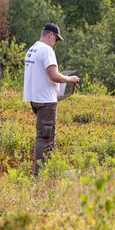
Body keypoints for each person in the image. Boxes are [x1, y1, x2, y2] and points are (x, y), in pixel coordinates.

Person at [23, 23, 80, 175]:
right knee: (46, 139)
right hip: (46, 101)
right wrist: (70, 79)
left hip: (35, 99)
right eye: (56, 40)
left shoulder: (32, 49)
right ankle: (41, 174)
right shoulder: (46, 50)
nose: (55, 44)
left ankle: (44, 171)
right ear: (50, 35)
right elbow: (54, 75)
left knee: (42, 135)